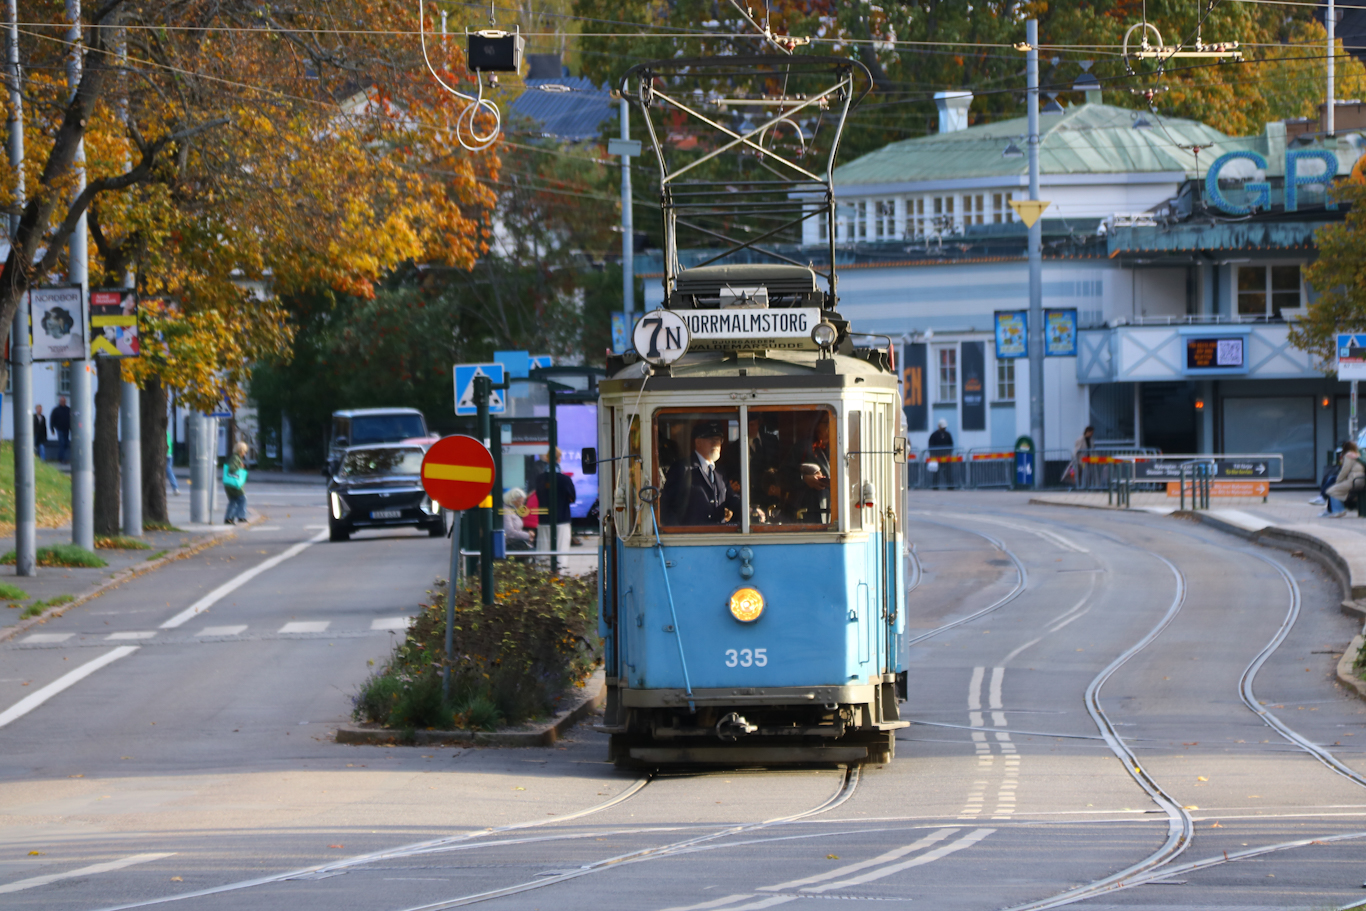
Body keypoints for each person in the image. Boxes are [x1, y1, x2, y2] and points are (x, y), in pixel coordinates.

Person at [660, 420, 741, 526]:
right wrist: (677, 532)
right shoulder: (682, 469)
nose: (716, 444)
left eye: (718, 440)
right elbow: (666, 507)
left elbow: (731, 498)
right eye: (711, 439)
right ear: (698, 442)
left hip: (719, 534)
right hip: (692, 535)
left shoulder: (719, 472)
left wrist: (748, 510)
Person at [782, 413, 833, 524]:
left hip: (835, 508)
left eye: (833, 421)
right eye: (826, 422)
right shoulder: (803, 447)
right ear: (817, 425)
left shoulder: (840, 447)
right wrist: (804, 479)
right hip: (808, 509)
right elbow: (783, 476)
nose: (831, 425)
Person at [534, 447, 577, 555]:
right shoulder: (565, 480)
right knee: (561, 553)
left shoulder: (540, 479)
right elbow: (572, 498)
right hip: (562, 519)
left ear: (547, 459)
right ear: (559, 459)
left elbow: (539, 495)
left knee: (544, 554)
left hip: (544, 519)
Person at [1322, 441, 1363, 518]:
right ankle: (1332, 509)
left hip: (1354, 479)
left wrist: (1338, 481)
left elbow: (1345, 470)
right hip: (1361, 480)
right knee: (1335, 487)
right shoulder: (1359, 455)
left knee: (1332, 490)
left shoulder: (1349, 455)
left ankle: (1338, 510)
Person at [223, 441, 249, 524]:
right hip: (234, 483)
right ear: (241, 450)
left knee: (233, 500)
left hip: (229, 483)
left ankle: (229, 518)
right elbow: (232, 469)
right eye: (245, 451)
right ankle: (241, 516)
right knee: (242, 498)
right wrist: (240, 467)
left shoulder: (235, 457)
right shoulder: (235, 458)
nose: (245, 453)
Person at [927, 419, 954, 489]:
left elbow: (951, 445)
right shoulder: (934, 435)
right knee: (936, 473)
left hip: (946, 458)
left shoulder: (947, 435)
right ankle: (935, 486)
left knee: (948, 473)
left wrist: (949, 453)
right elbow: (931, 446)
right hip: (936, 458)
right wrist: (932, 455)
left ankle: (950, 486)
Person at [50, 396, 70, 463]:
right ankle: (61, 459)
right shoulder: (56, 410)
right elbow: (52, 420)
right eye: (62, 401)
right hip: (59, 429)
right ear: (59, 402)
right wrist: (52, 429)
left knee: (66, 444)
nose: (63, 402)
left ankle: (61, 457)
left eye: (64, 401)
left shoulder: (68, 409)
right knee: (62, 443)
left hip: (66, 429)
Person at [166, 428, 180, 495]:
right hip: (169, 454)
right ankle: (175, 488)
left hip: (165, 454)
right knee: (169, 471)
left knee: (168, 471)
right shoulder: (167, 432)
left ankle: (175, 488)